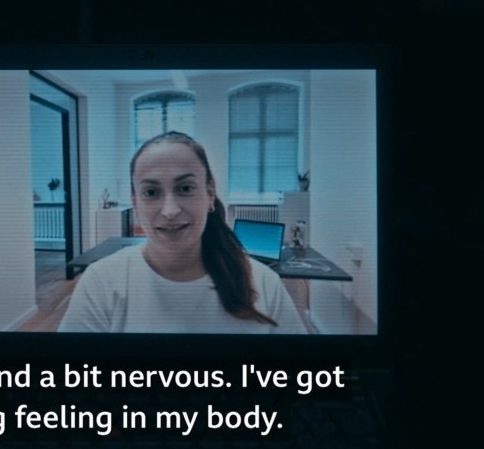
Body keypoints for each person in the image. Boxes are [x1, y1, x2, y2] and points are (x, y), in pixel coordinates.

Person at [58, 131, 308, 334]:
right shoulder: (100, 283)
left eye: (186, 188)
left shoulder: (264, 284)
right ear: (135, 202)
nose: (170, 211)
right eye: (151, 192)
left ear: (209, 194)